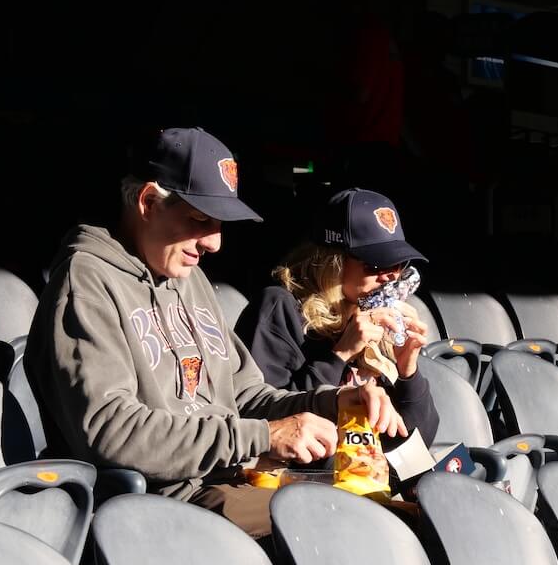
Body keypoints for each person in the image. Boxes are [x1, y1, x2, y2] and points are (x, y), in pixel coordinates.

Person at [24, 127, 404, 542]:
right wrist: (264, 436)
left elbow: (244, 397)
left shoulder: (189, 279)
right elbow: (111, 430)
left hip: (228, 483)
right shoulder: (87, 279)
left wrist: (329, 401)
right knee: (353, 526)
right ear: (147, 202)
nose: (215, 243)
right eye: (199, 220)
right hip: (159, 504)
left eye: (219, 224)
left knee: (391, 509)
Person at [240, 188, 439, 448]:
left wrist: (407, 371)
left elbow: (418, 439)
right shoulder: (280, 307)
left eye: (399, 264)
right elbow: (269, 420)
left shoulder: (381, 317)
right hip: (308, 478)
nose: (390, 276)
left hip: (370, 473)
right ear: (332, 261)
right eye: (377, 264)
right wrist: (339, 356)